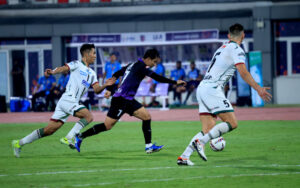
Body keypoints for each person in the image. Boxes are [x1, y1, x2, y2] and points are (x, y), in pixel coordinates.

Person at [177, 23, 272, 166]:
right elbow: (243, 72)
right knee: (232, 123)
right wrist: (258, 88)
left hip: (202, 87)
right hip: (212, 89)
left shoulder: (221, 48)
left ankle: (184, 156)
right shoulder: (237, 50)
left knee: (207, 129)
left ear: (228, 36)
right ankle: (201, 142)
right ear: (243, 35)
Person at [74, 49, 186, 154]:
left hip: (128, 99)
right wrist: (175, 82)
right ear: (148, 59)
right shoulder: (142, 66)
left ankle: (149, 146)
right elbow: (157, 78)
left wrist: (109, 89)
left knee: (146, 117)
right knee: (107, 126)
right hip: (120, 100)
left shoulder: (133, 64)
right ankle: (80, 136)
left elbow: (116, 73)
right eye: (154, 62)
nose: (154, 65)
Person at [12, 43, 114, 158]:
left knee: (49, 130)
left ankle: (18, 143)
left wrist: (105, 85)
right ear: (86, 54)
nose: (95, 56)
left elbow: (96, 90)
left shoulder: (92, 74)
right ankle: (69, 137)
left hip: (69, 102)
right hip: (68, 99)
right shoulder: (77, 64)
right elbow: (64, 68)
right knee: (88, 117)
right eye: (94, 53)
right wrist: (53, 72)